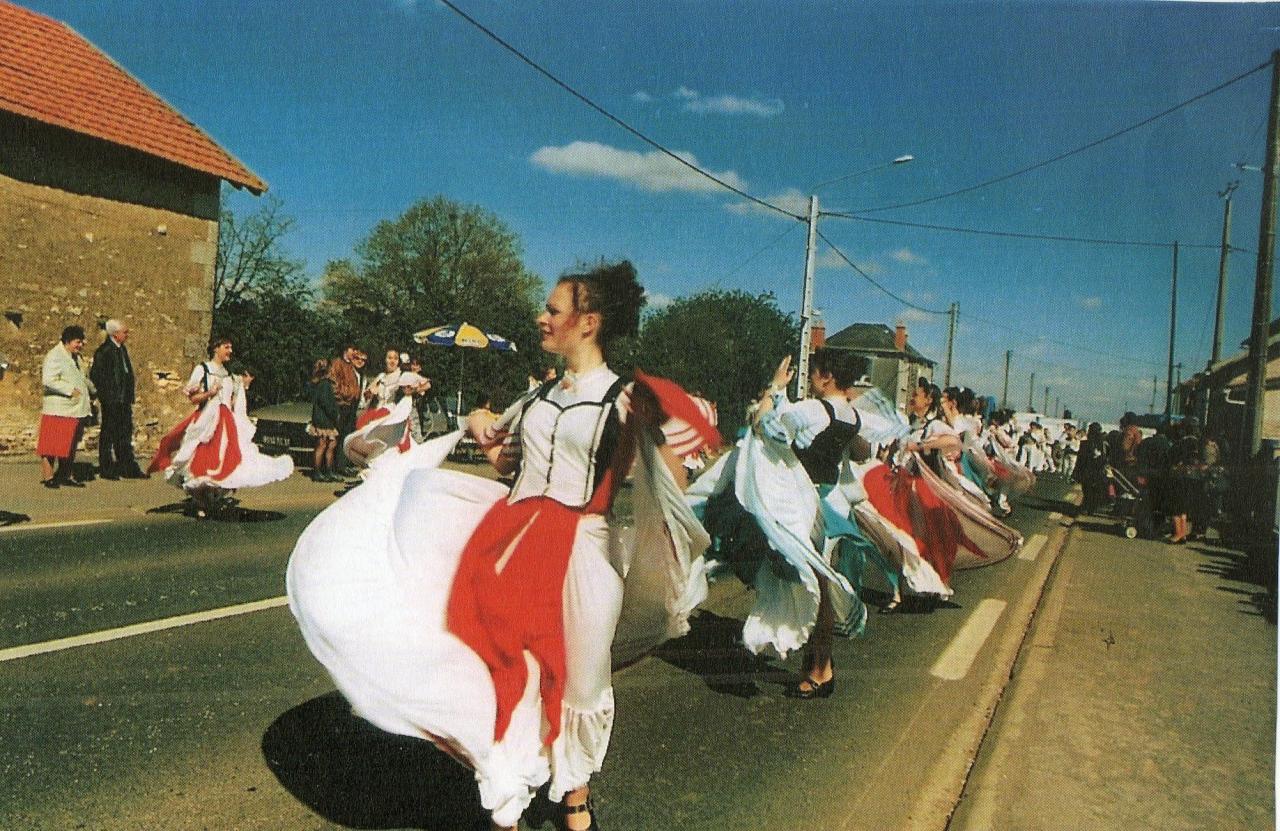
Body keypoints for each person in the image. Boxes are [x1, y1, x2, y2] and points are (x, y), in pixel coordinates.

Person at [288, 261, 716, 831]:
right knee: (505, 671)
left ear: (588, 322)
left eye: (554, 311)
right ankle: (507, 798)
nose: (542, 318)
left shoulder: (626, 397)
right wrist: (476, 420)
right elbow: (497, 441)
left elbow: (669, 471)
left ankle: (574, 790)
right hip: (510, 542)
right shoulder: (537, 396)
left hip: (584, 548)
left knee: (583, 680)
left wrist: (666, 534)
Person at [692, 348, 871, 698]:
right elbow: (862, 453)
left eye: (814, 370)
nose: (810, 376)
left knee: (811, 583)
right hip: (831, 502)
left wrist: (774, 388)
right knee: (817, 580)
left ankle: (821, 668)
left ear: (827, 376)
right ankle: (818, 663)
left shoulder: (814, 409)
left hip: (803, 504)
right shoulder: (851, 414)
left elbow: (762, 426)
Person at [148, 337, 293, 518]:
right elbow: (193, 398)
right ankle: (202, 501)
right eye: (227, 347)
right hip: (207, 422)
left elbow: (230, 401)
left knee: (228, 460)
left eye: (231, 347)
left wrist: (241, 389)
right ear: (216, 348)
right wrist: (210, 393)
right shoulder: (204, 369)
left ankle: (210, 500)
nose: (230, 351)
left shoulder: (229, 375)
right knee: (201, 462)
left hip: (226, 423)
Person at [37, 325, 95, 488]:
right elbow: (48, 380)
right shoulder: (55, 356)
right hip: (58, 408)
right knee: (51, 445)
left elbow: (82, 378)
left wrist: (93, 391)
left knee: (69, 445)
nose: (81, 345)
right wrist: (70, 390)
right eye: (78, 342)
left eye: (81, 342)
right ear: (68, 341)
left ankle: (65, 475)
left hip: (75, 409)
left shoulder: (76, 357)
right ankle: (49, 477)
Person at [89, 319, 145, 479]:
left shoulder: (122, 349)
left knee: (124, 434)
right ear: (115, 334)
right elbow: (97, 375)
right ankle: (107, 468)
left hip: (123, 399)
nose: (127, 335)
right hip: (112, 400)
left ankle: (126, 466)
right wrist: (106, 394)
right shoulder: (104, 351)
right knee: (108, 433)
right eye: (124, 332)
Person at [306, 358, 341, 482]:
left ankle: (327, 470)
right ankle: (318, 471)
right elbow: (327, 403)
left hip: (323, 419)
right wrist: (335, 414)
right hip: (325, 419)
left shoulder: (319, 383)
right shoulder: (325, 384)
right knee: (322, 445)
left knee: (330, 444)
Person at [328, 345, 361, 473]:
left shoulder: (350, 365)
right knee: (339, 437)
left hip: (350, 405)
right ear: (346, 350)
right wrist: (343, 397)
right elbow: (333, 384)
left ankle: (343, 465)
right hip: (342, 406)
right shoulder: (337, 363)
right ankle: (338, 467)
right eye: (352, 350)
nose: (354, 353)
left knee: (346, 437)